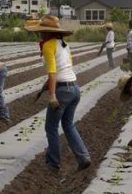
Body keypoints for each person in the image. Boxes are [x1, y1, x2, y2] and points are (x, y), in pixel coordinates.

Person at [25, 15, 91, 173]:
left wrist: (52, 95)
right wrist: (45, 87)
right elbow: (65, 68)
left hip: (62, 91)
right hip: (74, 89)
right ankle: (83, 157)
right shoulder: (64, 45)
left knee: (51, 127)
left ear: (46, 32)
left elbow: (53, 73)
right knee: (68, 125)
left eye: (41, 32)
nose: (39, 35)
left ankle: (53, 164)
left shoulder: (48, 45)